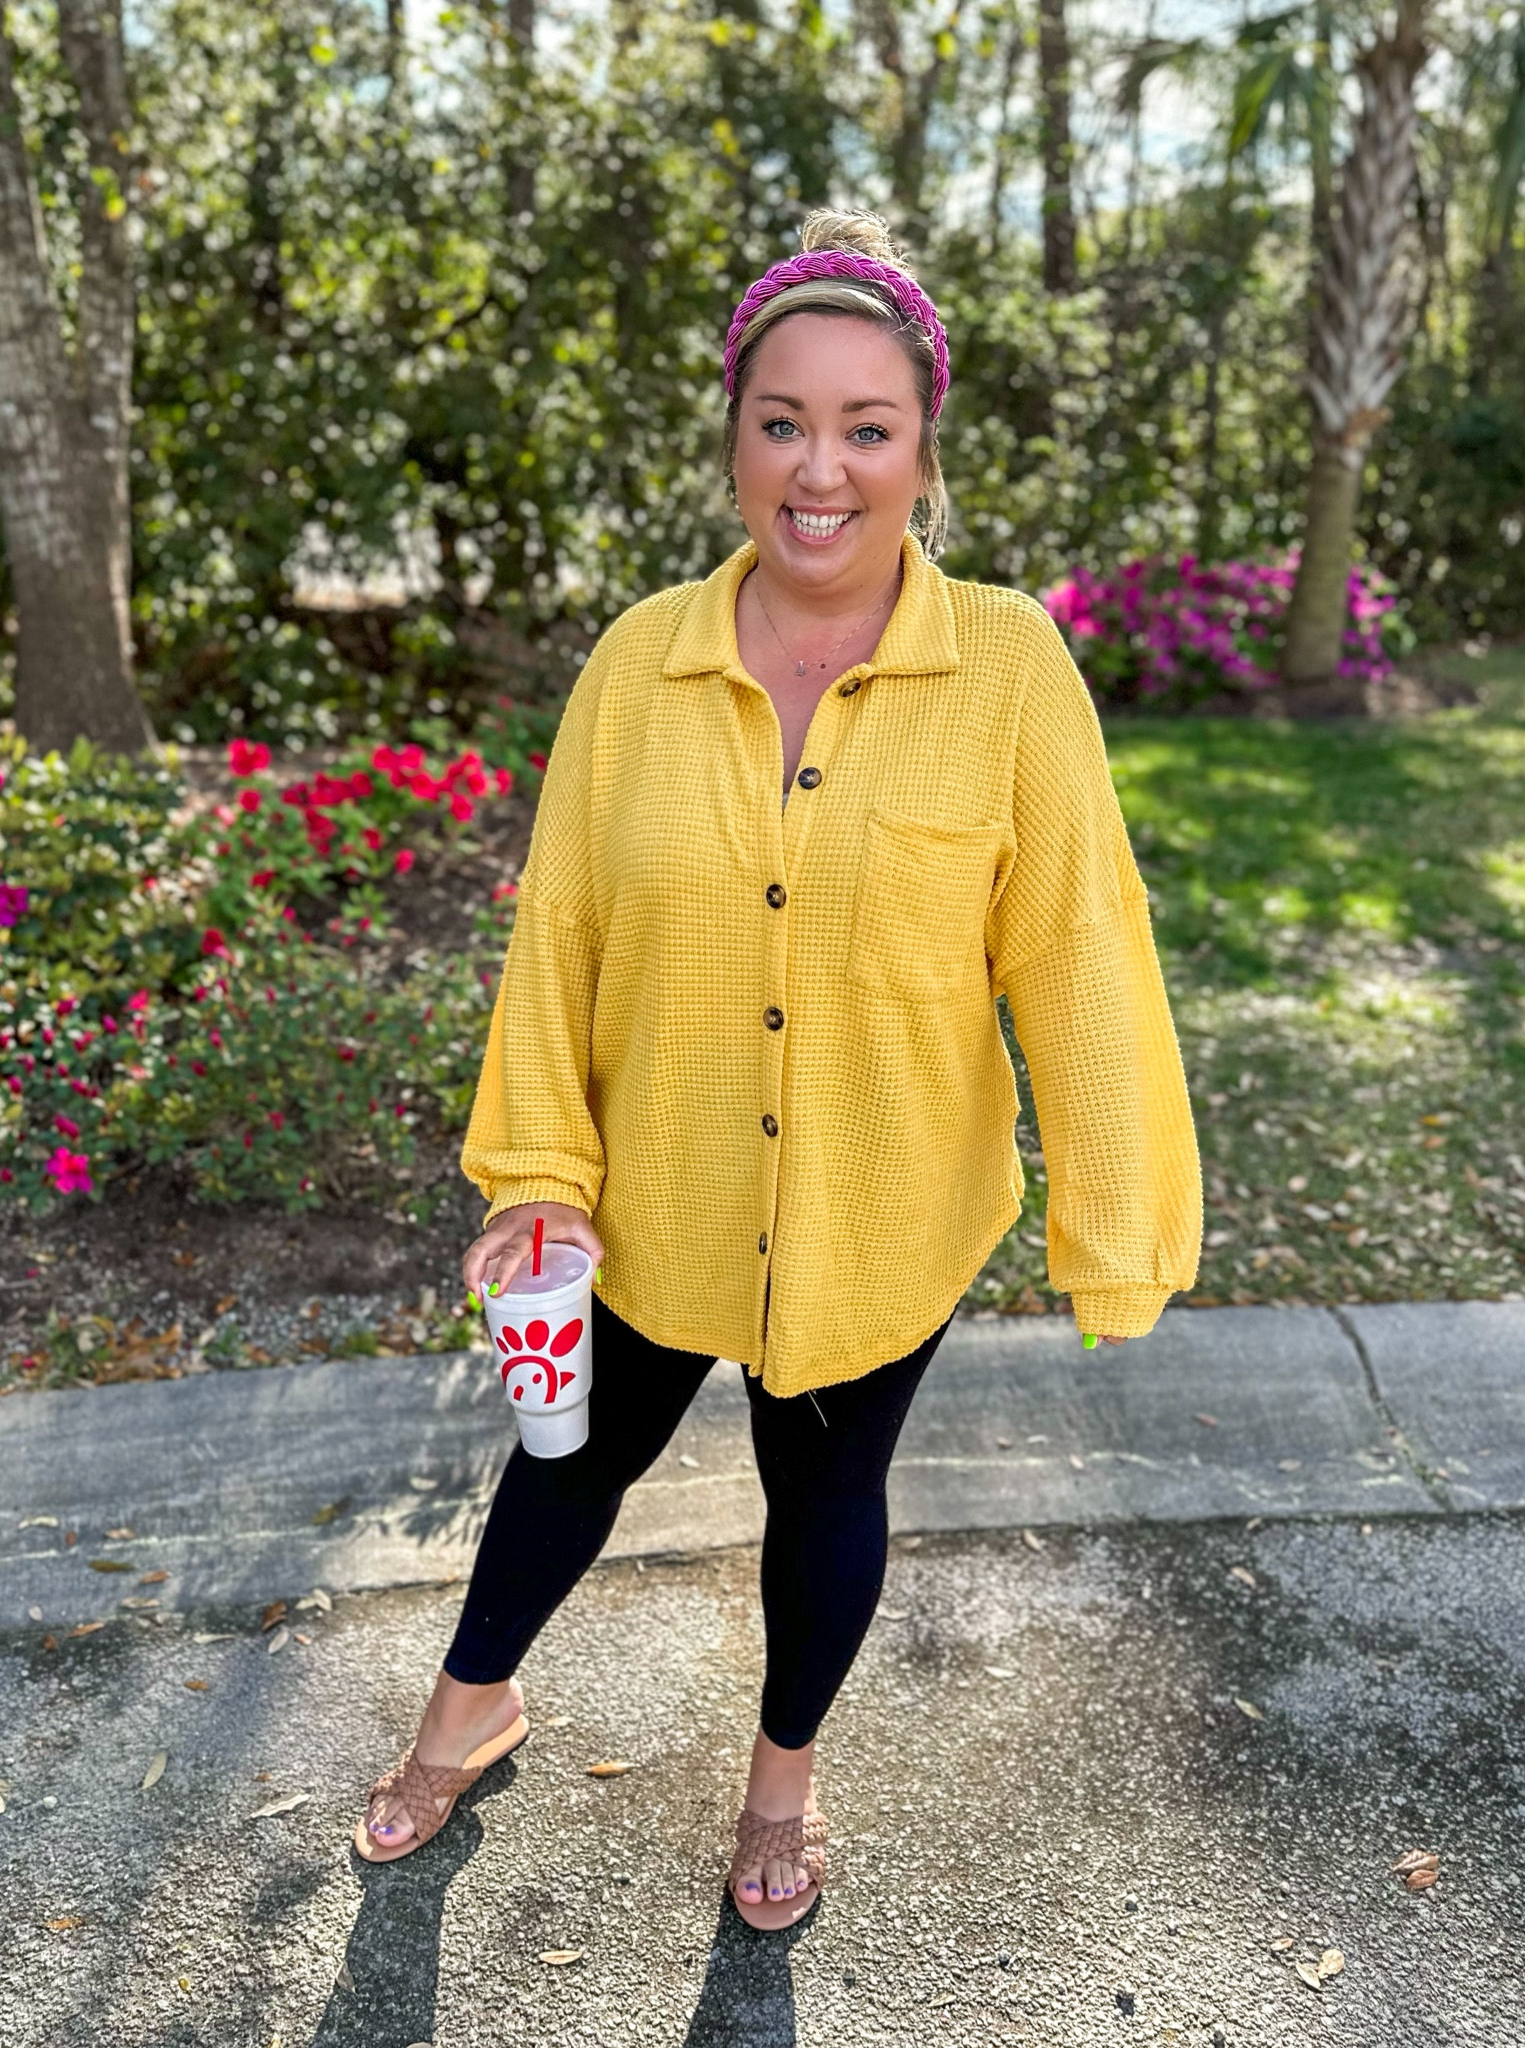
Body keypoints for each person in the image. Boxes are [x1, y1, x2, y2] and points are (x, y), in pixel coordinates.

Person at [354, 209, 1202, 1927]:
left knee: (827, 1495)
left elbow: (1078, 945)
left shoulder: (1008, 668)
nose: (822, 470)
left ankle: (782, 1786)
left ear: (924, 452)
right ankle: (468, 1709)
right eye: (783, 423)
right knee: (567, 1465)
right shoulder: (636, 666)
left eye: (867, 428)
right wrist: (538, 1170)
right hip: (653, 1195)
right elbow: (560, 929)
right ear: (735, 438)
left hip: (885, 1207)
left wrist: (1115, 1224)